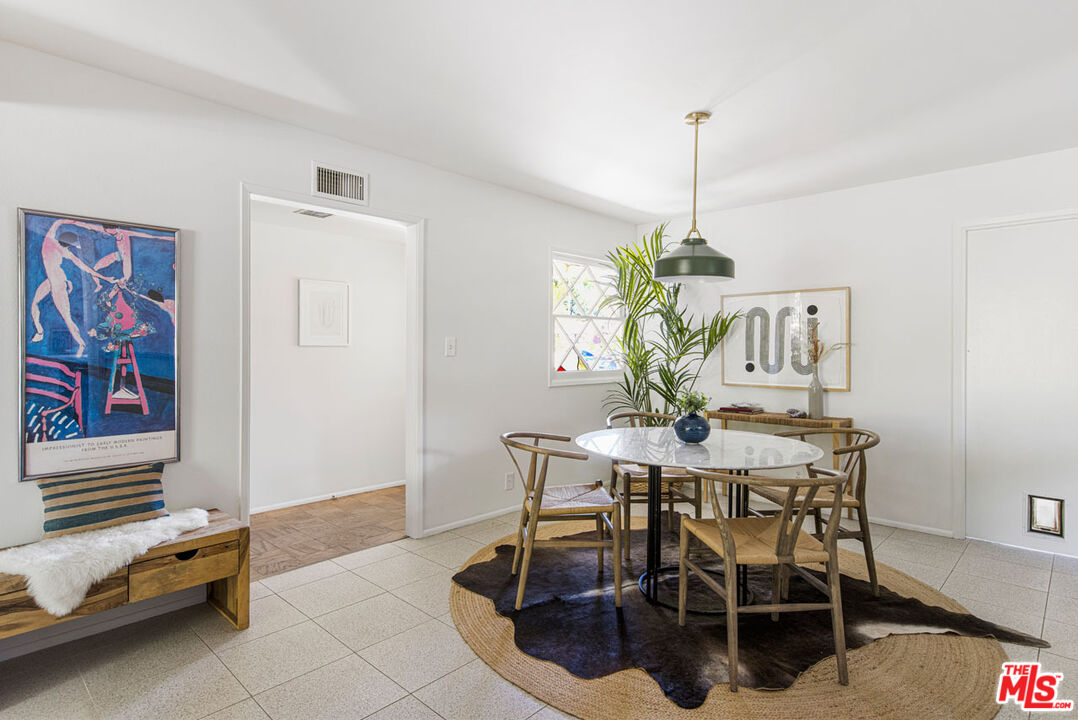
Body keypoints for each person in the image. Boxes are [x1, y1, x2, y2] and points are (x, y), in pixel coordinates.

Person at [28, 219, 111, 358]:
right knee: (34, 304)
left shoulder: (50, 241)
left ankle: (81, 344)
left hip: (58, 282)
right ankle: (40, 332)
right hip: (53, 280)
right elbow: (85, 267)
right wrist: (84, 224)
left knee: (67, 317)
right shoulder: (61, 249)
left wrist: (77, 223)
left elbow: (58, 222)